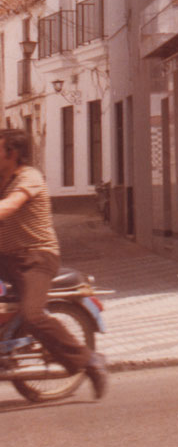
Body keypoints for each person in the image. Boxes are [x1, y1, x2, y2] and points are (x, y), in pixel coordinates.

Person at [0, 127, 107, 399]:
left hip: (36, 259)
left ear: (12, 153)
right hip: (7, 258)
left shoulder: (30, 177)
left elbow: (10, 206)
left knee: (33, 315)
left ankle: (89, 360)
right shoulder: (3, 179)